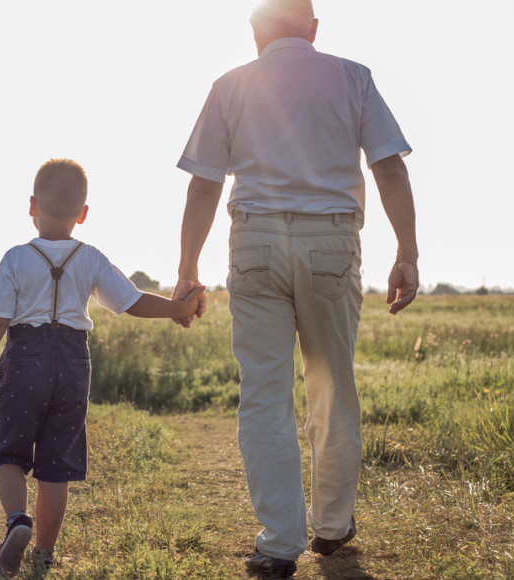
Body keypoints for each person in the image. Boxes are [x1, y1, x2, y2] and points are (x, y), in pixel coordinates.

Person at [171, 0, 420, 577]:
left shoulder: (229, 85)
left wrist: (188, 267)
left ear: (255, 30)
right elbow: (390, 169)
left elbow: (204, 185)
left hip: (254, 241)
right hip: (331, 242)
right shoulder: (353, 78)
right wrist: (407, 251)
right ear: (313, 28)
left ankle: (278, 542)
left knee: (263, 393)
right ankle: (332, 529)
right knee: (331, 385)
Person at [0, 158, 205, 578]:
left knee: (8, 451)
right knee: (56, 465)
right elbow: (132, 301)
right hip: (74, 363)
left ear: (31, 206)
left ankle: (16, 522)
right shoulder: (90, 257)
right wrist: (178, 308)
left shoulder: (15, 259)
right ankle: (42, 556)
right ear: (83, 213)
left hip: (24, 360)